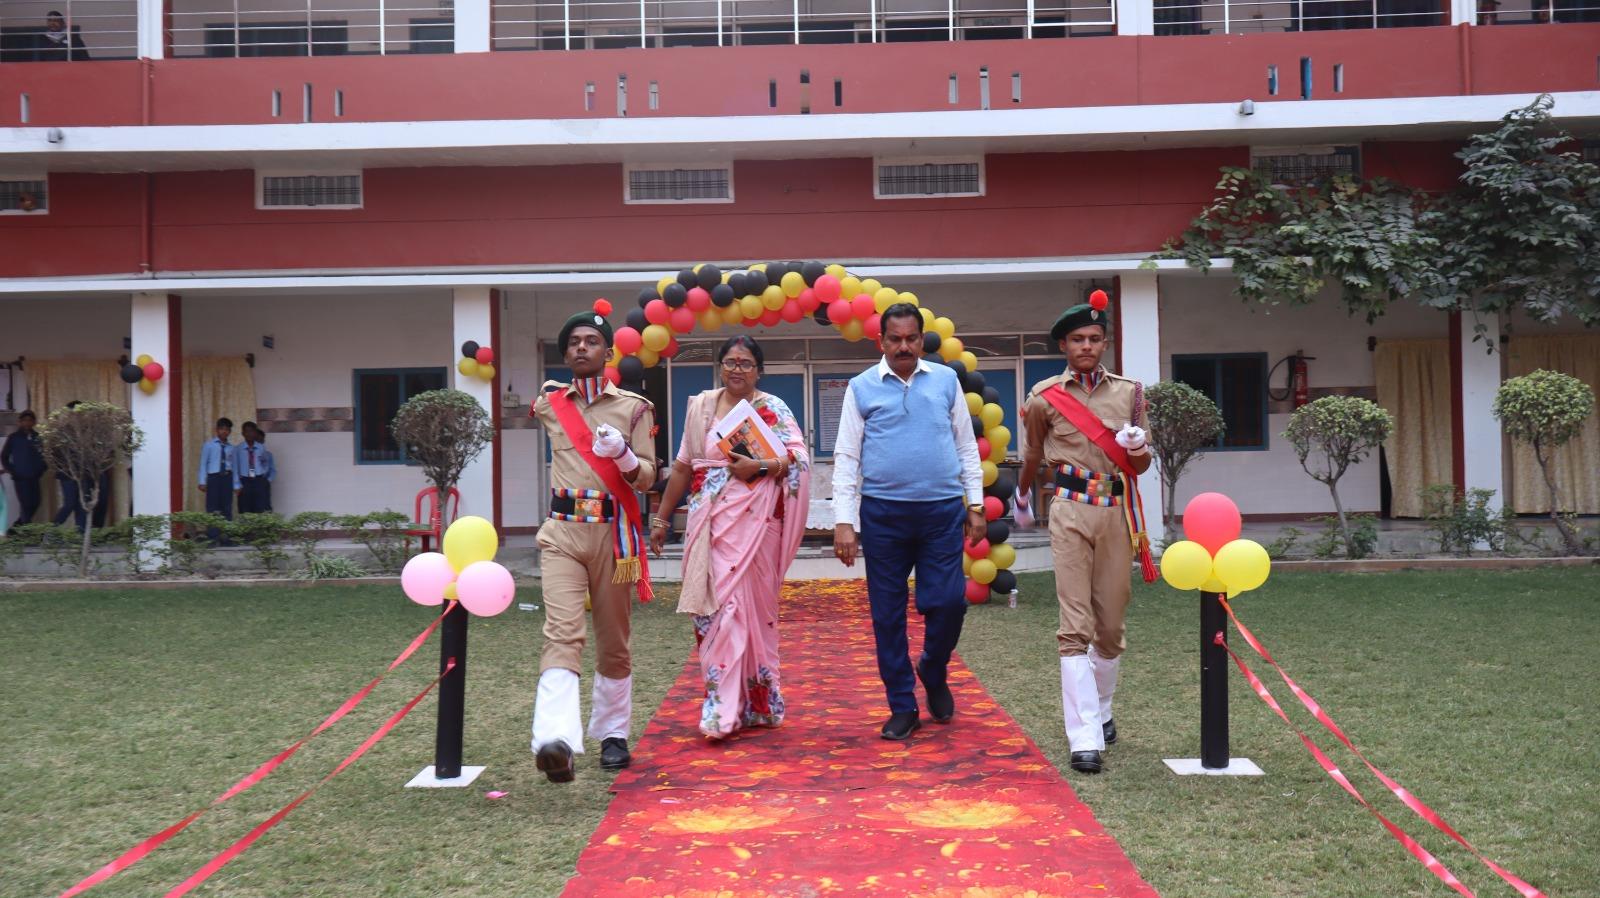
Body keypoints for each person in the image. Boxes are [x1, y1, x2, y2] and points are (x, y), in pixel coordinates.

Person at [1014, 291, 1155, 775]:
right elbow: (1033, 453)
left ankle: (1102, 708)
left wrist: (1135, 446)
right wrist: (1022, 495)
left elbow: (1141, 465)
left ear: (1105, 343)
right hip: (1070, 509)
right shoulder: (1044, 397)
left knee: (1110, 628)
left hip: (1116, 511)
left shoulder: (1131, 394)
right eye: (1078, 339)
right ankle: (1085, 738)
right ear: (1064, 345)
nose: (1087, 346)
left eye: (1095, 338)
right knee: (1074, 626)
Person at [832, 303, 986, 741]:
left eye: (911, 338)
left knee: (950, 602)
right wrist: (844, 521)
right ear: (881, 342)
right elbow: (847, 456)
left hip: (941, 512)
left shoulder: (946, 381)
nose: (903, 346)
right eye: (895, 339)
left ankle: (933, 669)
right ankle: (902, 705)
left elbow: (965, 445)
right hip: (883, 515)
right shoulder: (861, 387)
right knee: (887, 616)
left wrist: (975, 503)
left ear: (922, 340)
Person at [649, 336, 811, 740]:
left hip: (758, 527)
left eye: (746, 363)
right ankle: (724, 704)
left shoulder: (772, 408)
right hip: (710, 524)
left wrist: (761, 466)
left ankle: (749, 705)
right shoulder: (701, 408)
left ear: (759, 370)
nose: (737, 369)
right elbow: (683, 468)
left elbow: (799, 459)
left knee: (750, 611)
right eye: (731, 362)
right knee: (714, 611)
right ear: (720, 366)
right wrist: (661, 519)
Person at [529, 304, 657, 782]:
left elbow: (647, 477)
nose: (582, 348)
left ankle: (613, 734)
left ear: (608, 353)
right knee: (562, 633)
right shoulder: (549, 404)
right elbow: (540, 401)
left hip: (612, 537)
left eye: (592, 342)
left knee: (613, 640)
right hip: (562, 533)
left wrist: (623, 455)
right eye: (574, 343)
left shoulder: (634, 408)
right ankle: (555, 740)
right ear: (565, 354)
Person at [1, 410, 46, 528]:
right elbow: (4, 456)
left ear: (34, 422)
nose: (27, 422)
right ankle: (26, 532)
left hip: (34, 477)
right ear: (20, 422)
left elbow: (45, 455)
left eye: (30, 420)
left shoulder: (38, 437)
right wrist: (12, 471)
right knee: (26, 505)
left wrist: (41, 469)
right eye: (25, 420)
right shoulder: (14, 437)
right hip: (20, 477)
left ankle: (18, 526)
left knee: (36, 503)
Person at [198, 417, 239, 543]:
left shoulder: (231, 448)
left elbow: (234, 467)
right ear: (217, 430)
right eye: (222, 429)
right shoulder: (209, 445)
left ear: (230, 432)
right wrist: (202, 481)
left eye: (227, 429)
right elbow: (203, 464)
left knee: (226, 507)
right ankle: (213, 536)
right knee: (212, 508)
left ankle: (226, 536)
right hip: (214, 478)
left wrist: (236, 484)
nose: (224, 432)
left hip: (227, 478)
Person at [234, 422, 276, 514]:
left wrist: (262, 474)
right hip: (245, 481)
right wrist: (237, 484)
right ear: (243, 433)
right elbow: (235, 468)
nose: (249, 434)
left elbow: (265, 462)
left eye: (252, 431)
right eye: (247, 431)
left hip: (258, 480)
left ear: (255, 433)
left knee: (260, 507)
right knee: (244, 507)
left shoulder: (261, 448)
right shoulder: (238, 449)